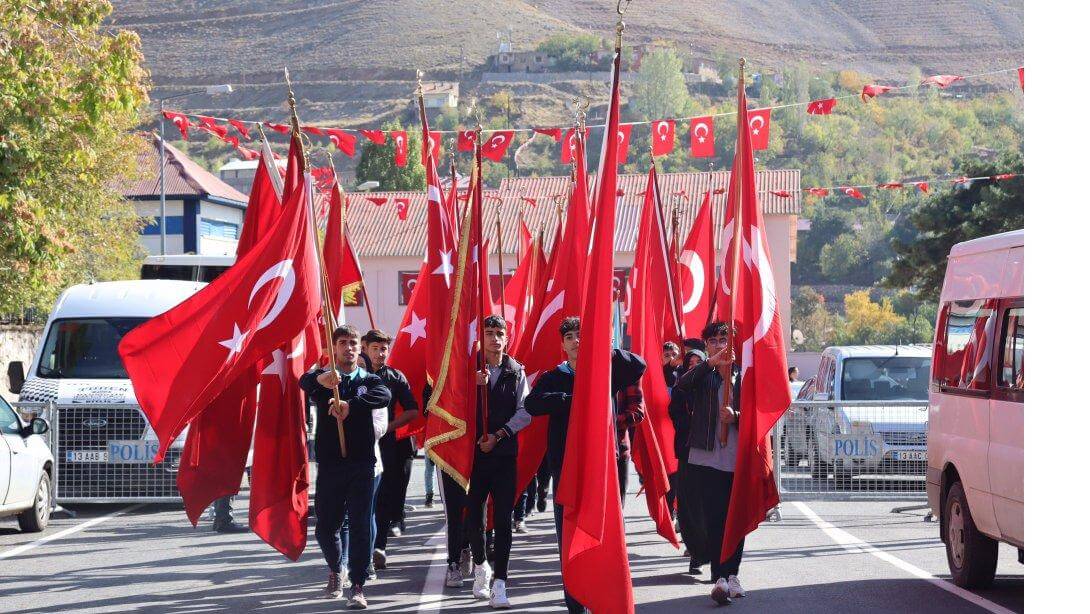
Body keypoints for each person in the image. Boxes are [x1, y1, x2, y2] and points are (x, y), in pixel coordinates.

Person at [524, 316, 646, 614]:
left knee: (602, 535)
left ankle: (599, 597)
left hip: (603, 466)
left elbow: (638, 365)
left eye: (581, 335)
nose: (576, 341)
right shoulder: (555, 376)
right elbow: (532, 404)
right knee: (568, 537)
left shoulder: (606, 370)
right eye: (570, 337)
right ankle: (575, 603)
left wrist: (606, 346)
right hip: (566, 467)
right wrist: (571, 399)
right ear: (563, 345)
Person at [300, 325, 392, 610]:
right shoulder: (324, 379)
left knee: (361, 525)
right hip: (331, 465)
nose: (349, 348)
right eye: (343, 343)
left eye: (353, 343)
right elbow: (304, 382)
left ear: (359, 347)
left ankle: (358, 585)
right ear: (334, 348)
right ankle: (335, 567)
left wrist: (352, 405)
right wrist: (322, 378)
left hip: (361, 464)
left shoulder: (369, 379)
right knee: (326, 527)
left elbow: (384, 395)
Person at [674, 321, 747, 606]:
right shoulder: (704, 375)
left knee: (735, 519)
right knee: (715, 518)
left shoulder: (744, 375)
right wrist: (711, 363)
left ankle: (732, 574)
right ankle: (719, 577)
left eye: (723, 340)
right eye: (713, 341)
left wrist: (736, 416)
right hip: (706, 458)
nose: (719, 345)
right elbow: (682, 385)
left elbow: (757, 411)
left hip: (736, 458)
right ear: (706, 345)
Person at [463, 315, 531, 609]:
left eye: (499, 333)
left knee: (503, 520)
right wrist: (472, 384)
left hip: (504, 456)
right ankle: (481, 566)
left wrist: (500, 434)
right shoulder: (469, 368)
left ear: (507, 338)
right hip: (474, 457)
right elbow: (454, 403)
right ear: (482, 337)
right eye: (489, 332)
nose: (494, 338)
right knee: (474, 519)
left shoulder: (516, 371)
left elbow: (525, 411)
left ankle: (501, 582)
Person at [365, 329, 420, 572]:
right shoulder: (355, 375)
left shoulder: (396, 377)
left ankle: (379, 547)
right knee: (360, 499)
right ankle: (355, 553)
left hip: (385, 445)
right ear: (365, 349)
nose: (380, 353)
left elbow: (412, 410)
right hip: (355, 445)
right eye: (375, 348)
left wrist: (387, 427)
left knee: (383, 497)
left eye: (384, 349)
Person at [670, 348, 707, 574]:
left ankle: (712, 554)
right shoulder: (681, 389)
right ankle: (694, 552)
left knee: (708, 505)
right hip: (687, 452)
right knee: (688, 506)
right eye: (690, 363)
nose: (694, 366)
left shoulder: (714, 385)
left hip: (710, 454)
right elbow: (674, 414)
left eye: (698, 362)